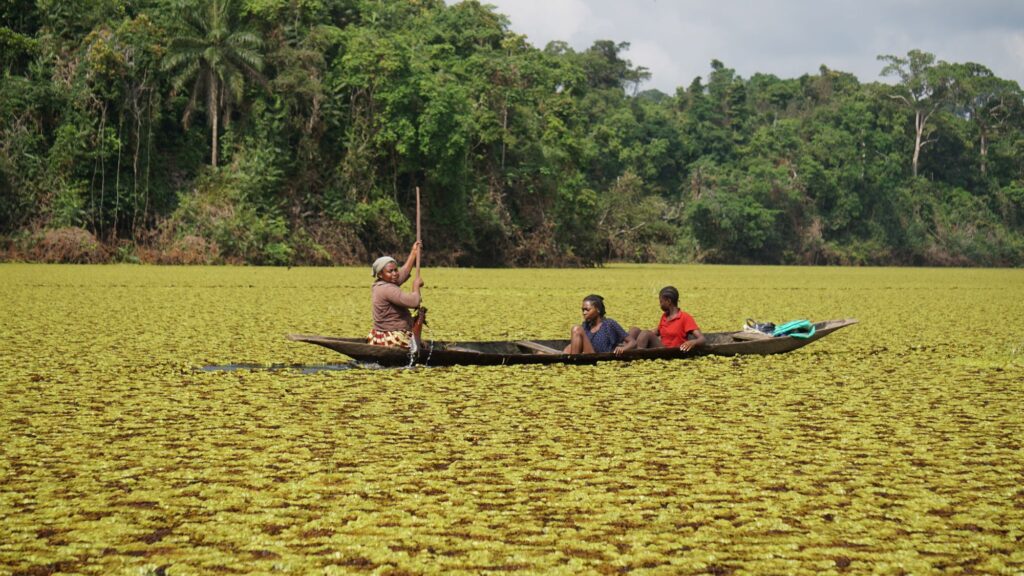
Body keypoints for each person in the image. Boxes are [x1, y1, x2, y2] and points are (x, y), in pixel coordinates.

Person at [367, 241, 425, 348]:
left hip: (381, 334)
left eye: (395, 270)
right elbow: (414, 302)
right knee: (421, 346)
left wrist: (414, 252)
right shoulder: (387, 289)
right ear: (380, 274)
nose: (395, 274)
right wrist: (416, 286)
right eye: (390, 271)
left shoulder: (382, 283)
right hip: (393, 336)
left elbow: (404, 272)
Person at [615, 286, 705, 354]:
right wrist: (638, 333)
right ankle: (623, 348)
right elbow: (657, 331)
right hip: (660, 345)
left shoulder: (685, 317)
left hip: (669, 350)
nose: (660, 305)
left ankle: (636, 355)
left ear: (668, 301)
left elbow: (702, 339)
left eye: (661, 302)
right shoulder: (665, 316)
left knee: (645, 334)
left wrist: (693, 342)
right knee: (634, 330)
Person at [564, 294, 628, 354]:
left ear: (598, 310)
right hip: (589, 353)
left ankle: (573, 360)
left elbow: (632, 342)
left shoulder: (609, 323)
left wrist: (623, 348)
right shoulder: (585, 325)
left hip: (599, 357)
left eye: (587, 310)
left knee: (576, 329)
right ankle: (568, 358)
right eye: (583, 310)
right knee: (570, 345)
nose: (584, 313)